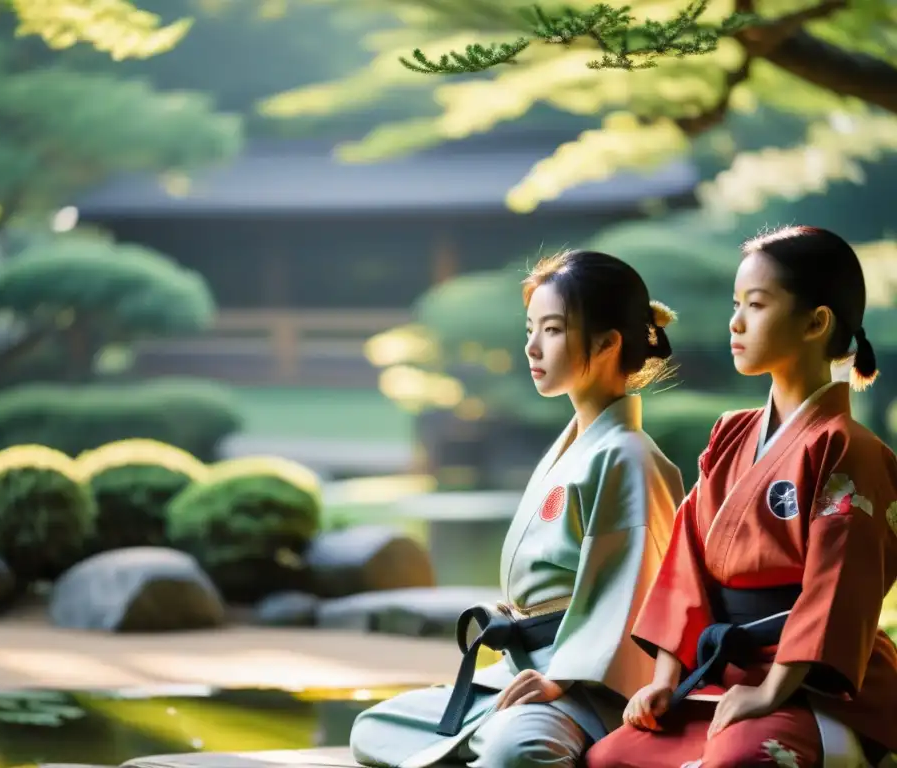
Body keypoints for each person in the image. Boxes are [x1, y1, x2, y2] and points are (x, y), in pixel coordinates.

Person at [349, 250, 687, 768]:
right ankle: (485, 739)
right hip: (524, 667)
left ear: (606, 342)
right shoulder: (579, 445)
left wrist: (562, 676)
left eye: (551, 330)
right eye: (530, 328)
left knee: (520, 750)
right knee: (375, 728)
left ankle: (500, 743)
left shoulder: (628, 455)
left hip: (582, 683)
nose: (531, 346)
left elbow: (636, 594)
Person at [585, 226, 897, 768]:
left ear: (815, 322)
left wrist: (771, 691)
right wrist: (666, 678)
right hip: (720, 673)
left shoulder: (850, 449)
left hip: (815, 688)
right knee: (607, 760)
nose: (735, 322)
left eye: (755, 305)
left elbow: (838, 587)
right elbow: (686, 557)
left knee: (737, 763)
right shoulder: (731, 433)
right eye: (736, 304)